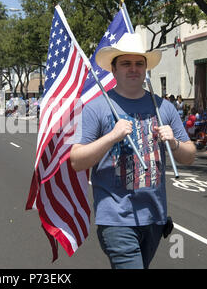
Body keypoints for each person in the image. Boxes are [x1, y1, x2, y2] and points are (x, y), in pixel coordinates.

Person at [70, 33, 196, 269]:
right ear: (114, 70)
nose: (133, 69)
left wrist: (174, 143)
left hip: (155, 217)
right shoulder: (97, 108)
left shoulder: (163, 107)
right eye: (126, 63)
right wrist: (112, 136)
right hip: (116, 218)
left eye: (139, 63)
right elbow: (77, 160)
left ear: (146, 68)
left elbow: (189, 155)